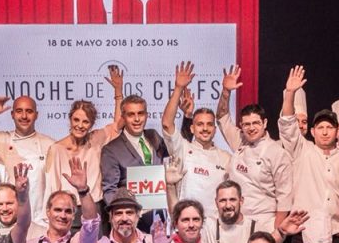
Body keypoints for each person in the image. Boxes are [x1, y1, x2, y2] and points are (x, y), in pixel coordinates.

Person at [277, 66, 339, 243]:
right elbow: (287, 124)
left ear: (336, 131)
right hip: (302, 229)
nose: (324, 132)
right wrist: (290, 93)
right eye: (320, 127)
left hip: (335, 230)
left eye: (329, 127)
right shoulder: (302, 150)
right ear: (312, 131)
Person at [216, 64, 293, 230]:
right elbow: (222, 117)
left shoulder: (277, 152)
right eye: (247, 124)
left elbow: (285, 198)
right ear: (242, 126)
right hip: (235, 221)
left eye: (256, 123)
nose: (251, 128)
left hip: (264, 222)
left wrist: (277, 235)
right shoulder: (241, 141)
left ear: (265, 123)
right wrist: (226, 92)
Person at [0, 95, 55, 241]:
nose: (24, 116)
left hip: (39, 222)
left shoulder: (49, 145)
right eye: (19, 111)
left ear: (36, 115)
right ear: (12, 114)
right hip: (7, 223)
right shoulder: (0, 140)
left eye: (29, 111)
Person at [44, 67, 124, 207]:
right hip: (69, 210)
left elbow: (118, 124)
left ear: (91, 125)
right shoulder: (56, 149)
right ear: (70, 119)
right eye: (76, 120)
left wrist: (118, 92)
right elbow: (52, 188)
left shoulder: (96, 139)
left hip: (96, 206)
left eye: (85, 122)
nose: (80, 125)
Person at [160, 62, 230, 220]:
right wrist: (178, 88)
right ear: (192, 128)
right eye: (200, 124)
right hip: (185, 223)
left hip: (215, 226)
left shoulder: (226, 158)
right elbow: (166, 123)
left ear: (215, 129)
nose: (205, 129)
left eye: (209, 124)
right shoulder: (183, 149)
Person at [100, 93, 168, 228]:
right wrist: (127, 214)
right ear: (123, 117)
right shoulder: (111, 149)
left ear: (147, 115)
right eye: (131, 115)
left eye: (141, 113)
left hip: (162, 218)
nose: (137, 119)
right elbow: (109, 190)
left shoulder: (154, 136)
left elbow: (176, 152)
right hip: (134, 224)